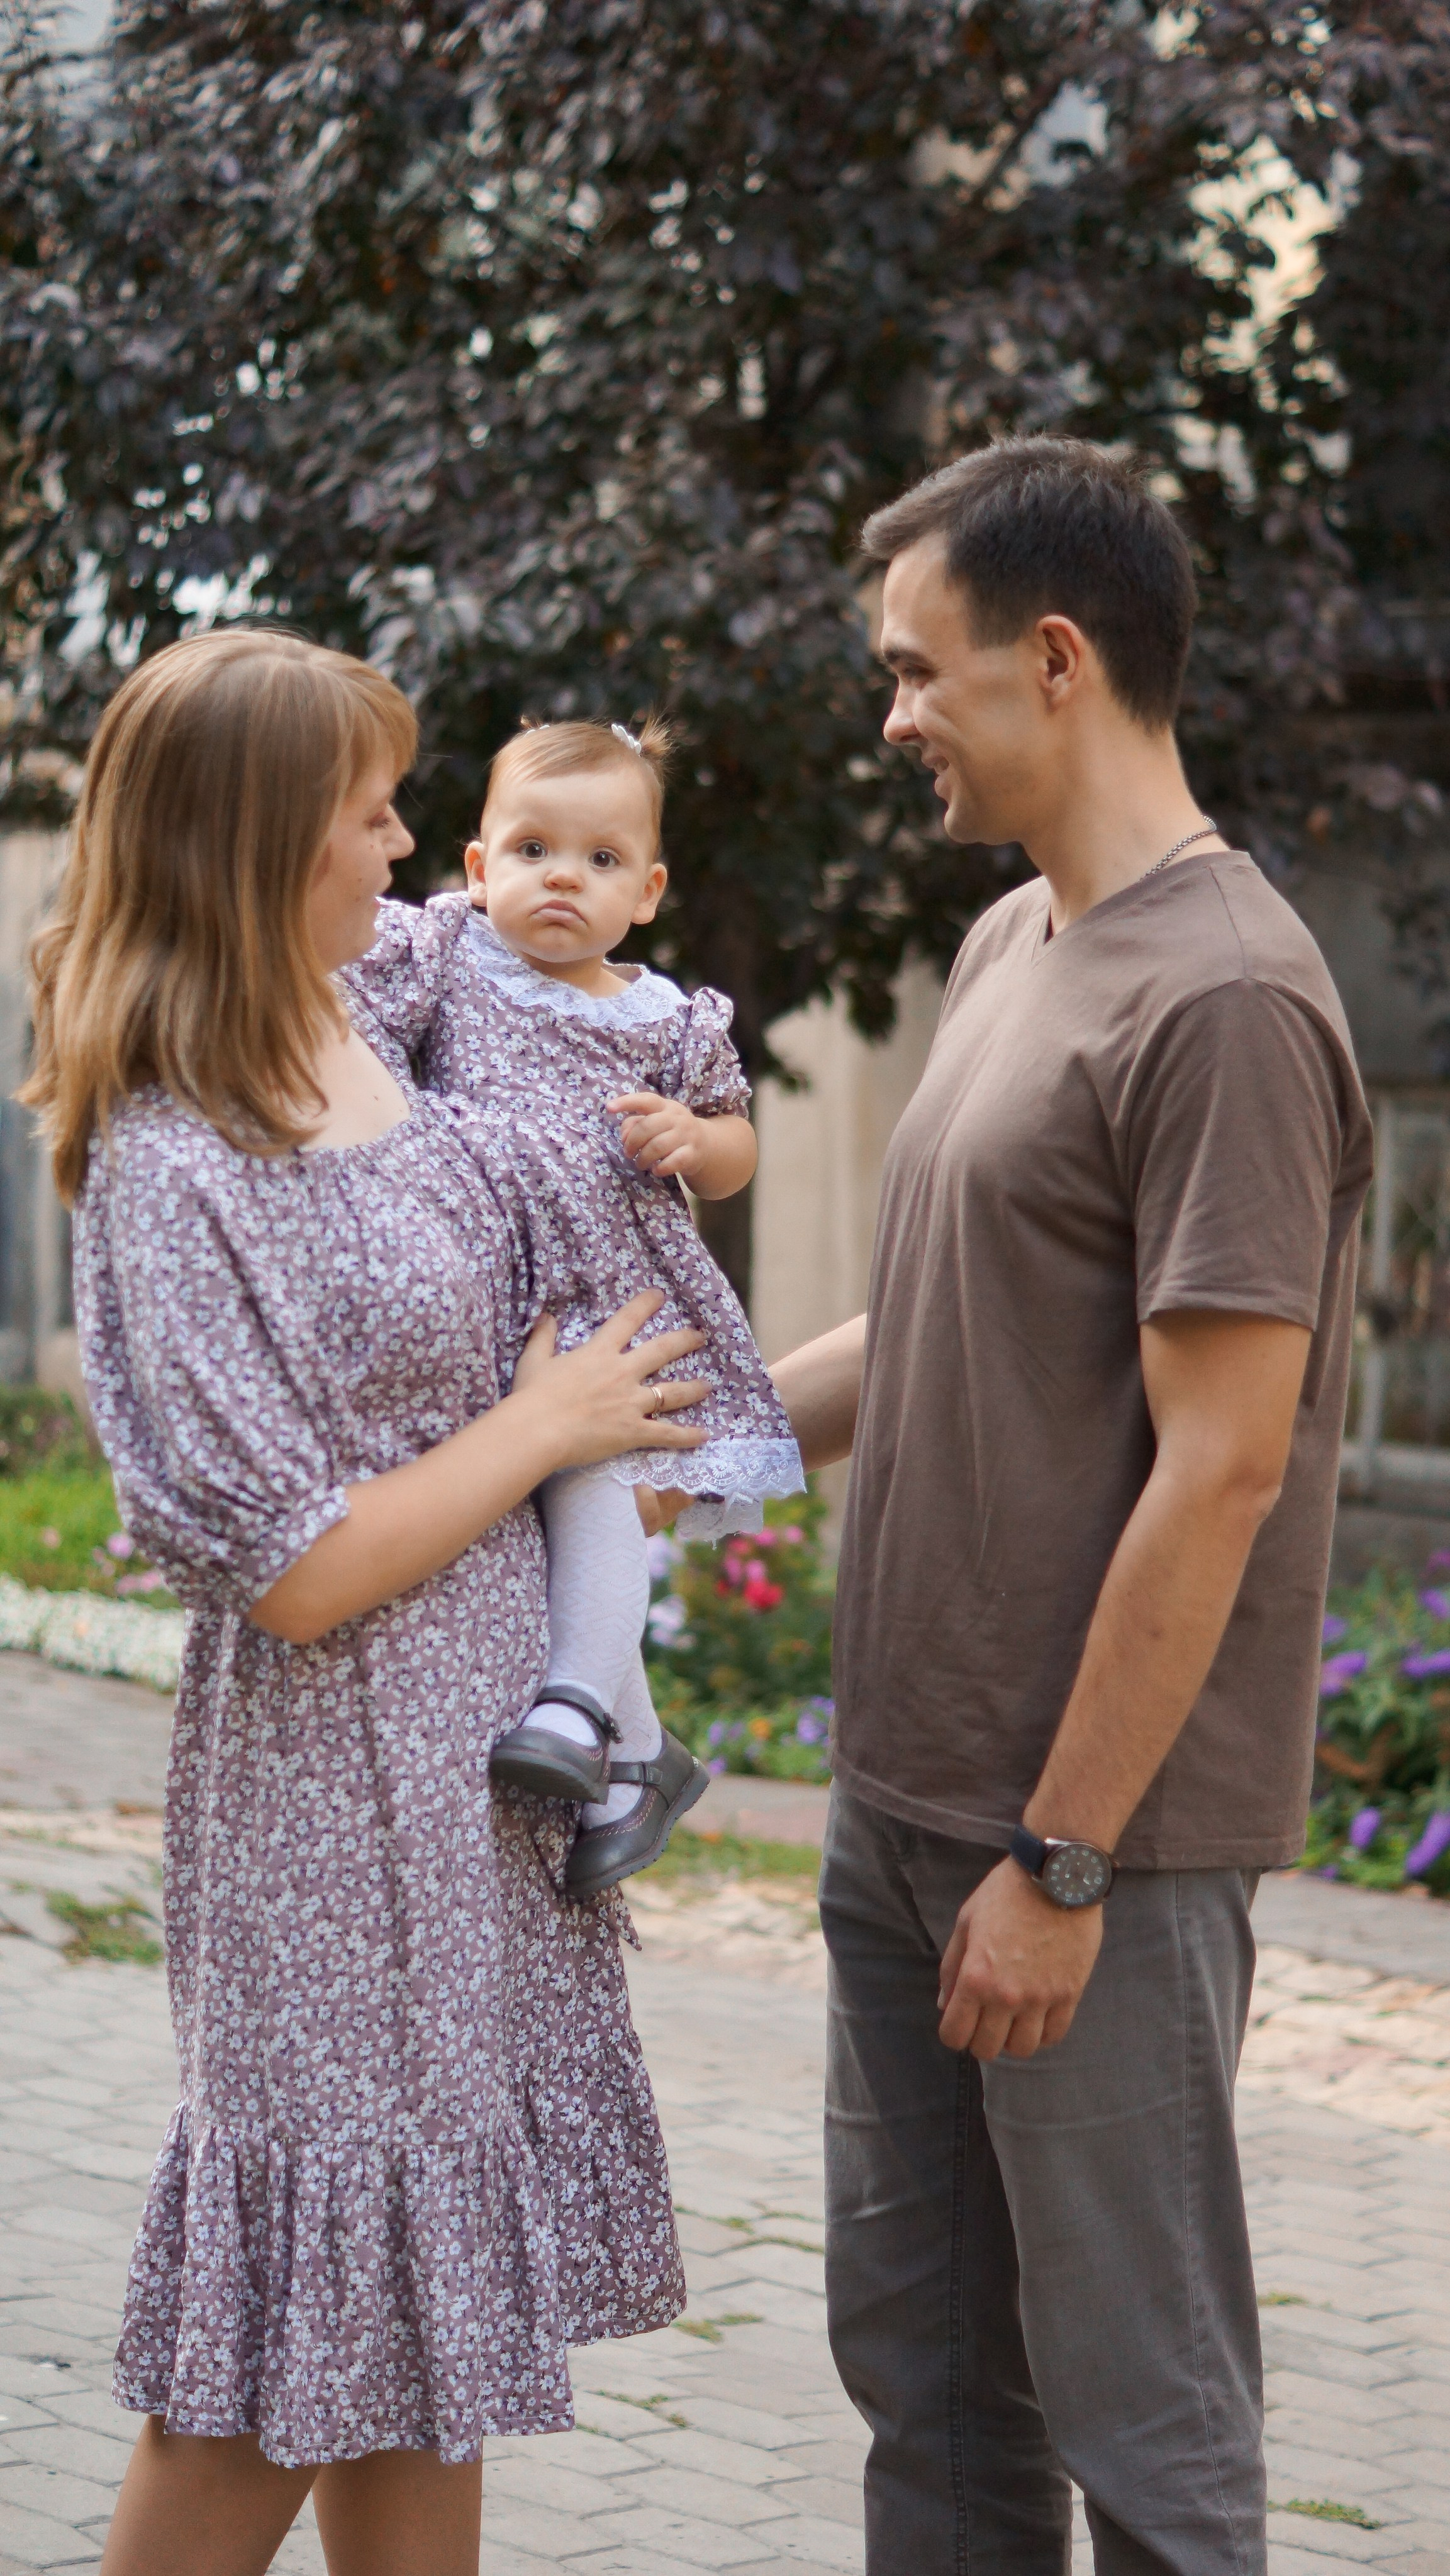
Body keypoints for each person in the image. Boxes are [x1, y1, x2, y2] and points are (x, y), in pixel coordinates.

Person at [22, 630, 710, 2576]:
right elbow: (295, 1569)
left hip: (479, 1787)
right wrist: (546, 1422)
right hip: (331, 1811)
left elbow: (600, 1069)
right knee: (264, 2375)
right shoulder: (171, 1155)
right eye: (372, 813)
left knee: (427, 2342)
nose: (413, 847)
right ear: (258, 847)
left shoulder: (373, 1015)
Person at [768, 438, 1375, 2574]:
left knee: (1142, 2418)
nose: (891, 720)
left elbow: (1217, 1462)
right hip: (905, 1799)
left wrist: (1063, 1850)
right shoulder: (1022, 938)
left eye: (913, 674)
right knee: (930, 2388)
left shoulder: (1222, 996)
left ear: (1051, 657)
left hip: (1070, 1837)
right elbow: (932, 1321)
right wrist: (672, 1437)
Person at [343, 713, 803, 1895]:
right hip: (479, 1283)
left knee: (588, 1477)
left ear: (646, 892)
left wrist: (693, 1141)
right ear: (478, 867)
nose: (564, 878)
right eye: (534, 848)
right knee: (519, 1497)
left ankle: (580, 1706)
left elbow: (741, 1146)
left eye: (601, 862)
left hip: (604, 1294)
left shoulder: (665, 1018)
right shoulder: (448, 955)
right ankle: (639, 1754)